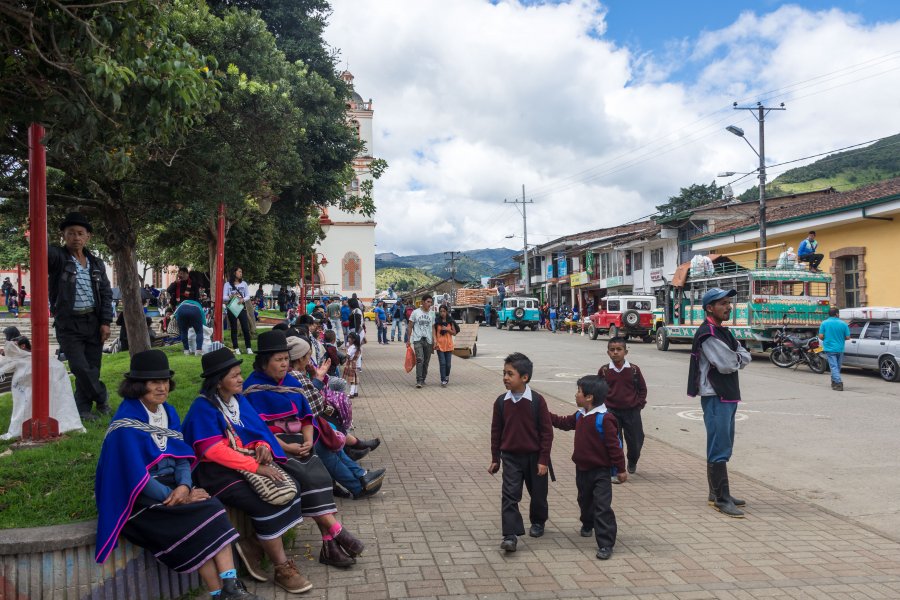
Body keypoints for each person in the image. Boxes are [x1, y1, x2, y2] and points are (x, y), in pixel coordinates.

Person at [94, 350, 257, 599]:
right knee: (203, 513)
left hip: (172, 491)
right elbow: (135, 476)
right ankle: (223, 591)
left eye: (165, 381)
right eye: (154, 382)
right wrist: (175, 495)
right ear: (138, 386)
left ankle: (227, 589)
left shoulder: (167, 412)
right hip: (138, 500)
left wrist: (185, 486)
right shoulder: (125, 424)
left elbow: (181, 454)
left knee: (209, 506)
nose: (162, 387)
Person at [181, 347, 315, 594]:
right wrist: (256, 466)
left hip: (244, 463)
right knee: (263, 502)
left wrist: (262, 446)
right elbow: (213, 451)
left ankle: (254, 544)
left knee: (296, 483)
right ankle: (281, 567)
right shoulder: (204, 408)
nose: (241, 379)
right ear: (218, 381)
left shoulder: (238, 401)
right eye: (234, 375)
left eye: (240, 373)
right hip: (214, 472)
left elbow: (256, 431)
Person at [240, 332, 366, 567]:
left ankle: (330, 545)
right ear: (264, 361)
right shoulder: (252, 388)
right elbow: (257, 430)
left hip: (299, 440)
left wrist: (307, 439)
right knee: (307, 478)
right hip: (275, 446)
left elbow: (307, 416)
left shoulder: (291, 382)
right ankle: (337, 533)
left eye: (285, 359)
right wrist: (288, 446)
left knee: (320, 476)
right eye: (278, 360)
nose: (284, 364)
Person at [279, 335, 385, 497]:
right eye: (307, 355)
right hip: (296, 429)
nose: (309, 359)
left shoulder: (294, 374)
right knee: (328, 449)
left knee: (332, 441)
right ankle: (358, 485)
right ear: (299, 358)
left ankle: (361, 476)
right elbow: (312, 404)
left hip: (304, 425)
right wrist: (318, 380)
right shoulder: (294, 376)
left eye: (285, 359)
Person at [687, 288, 751, 518]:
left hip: (727, 394)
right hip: (716, 395)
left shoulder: (722, 331)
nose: (728, 307)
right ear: (709, 308)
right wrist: (738, 357)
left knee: (723, 443)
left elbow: (742, 354)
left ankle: (717, 493)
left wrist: (738, 356)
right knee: (719, 445)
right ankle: (721, 498)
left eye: (728, 302)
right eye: (722, 303)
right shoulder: (709, 334)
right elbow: (726, 363)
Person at [550, 375, 626, 560]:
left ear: (589, 397)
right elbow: (563, 423)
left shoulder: (605, 419)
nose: (576, 395)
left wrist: (621, 469)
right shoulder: (580, 415)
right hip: (582, 469)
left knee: (602, 506)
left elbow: (614, 447)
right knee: (584, 500)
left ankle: (606, 544)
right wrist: (545, 414)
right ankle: (587, 522)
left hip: (601, 472)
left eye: (578, 392)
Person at [49, 212, 114, 421]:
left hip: (93, 323)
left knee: (92, 367)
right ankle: (102, 396)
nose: (75, 237)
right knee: (79, 366)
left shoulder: (97, 264)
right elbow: (43, 252)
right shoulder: (59, 258)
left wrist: (105, 322)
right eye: (70, 233)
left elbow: (105, 293)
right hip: (68, 324)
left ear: (88, 237)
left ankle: (83, 410)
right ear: (64, 236)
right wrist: (32, 232)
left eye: (80, 233)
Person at [488, 353, 553, 553]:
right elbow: (496, 431)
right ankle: (510, 535)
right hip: (511, 457)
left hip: (535, 458)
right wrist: (495, 458)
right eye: (504, 373)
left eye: (510, 374)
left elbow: (546, 433)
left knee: (539, 495)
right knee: (509, 496)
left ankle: (538, 521)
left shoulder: (537, 401)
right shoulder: (501, 402)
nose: (505, 378)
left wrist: (543, 460)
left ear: (524, 378)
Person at [597, 338, 647, 477]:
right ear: (608, 352)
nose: (615, 353)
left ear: (626, 352)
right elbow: (598, 391)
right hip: (611, 412)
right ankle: (617, 469)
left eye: (619, 349)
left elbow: (642, 389)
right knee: (614, 441)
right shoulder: (604, 371)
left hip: (632, 411)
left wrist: (639, 404)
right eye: (612, 350)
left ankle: (632, 460)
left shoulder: (634, 370)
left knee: (636, 441)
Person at [168, 266, 205, 357]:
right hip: (189, 307)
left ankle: (187, 351)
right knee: (198, 331)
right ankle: (198, 350)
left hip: (183, 308)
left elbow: (197, 294)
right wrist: (175, 282)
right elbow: (169, 290)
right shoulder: (177, 284)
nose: (180, 275)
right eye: (179, 273)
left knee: (184, 331)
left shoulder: (193, 283)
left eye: (182, 273)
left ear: (187, 274)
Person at [818, 306, 851, 391]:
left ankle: (838, 383)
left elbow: (821, 336)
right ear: (836, 314)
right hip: (840, 348)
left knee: (833, 366)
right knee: (837, 366)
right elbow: (847, 337)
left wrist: (827, 338)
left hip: (829, 348)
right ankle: (834, 382)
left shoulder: (824, 323)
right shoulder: (843, 324)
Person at [223, 267, 254, 355]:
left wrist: (243, 299)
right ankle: (236, 348)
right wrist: (230, 296)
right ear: (234, 273)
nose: (241, 273)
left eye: (241, 272)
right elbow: (223, 297)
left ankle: (248, 348)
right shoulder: (227, 284)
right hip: (231, 307)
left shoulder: (244, 284)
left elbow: (248, 295)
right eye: (239, 271)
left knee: (245, 327)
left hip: (241, 307)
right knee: (234, 328)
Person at [407, 295, 435, 388]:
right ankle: (418, 380)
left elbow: (433, 327)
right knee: (420, 359)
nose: (429, 304)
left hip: (428, 340)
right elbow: (410, 326)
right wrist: (408, 339)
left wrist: (434, 341)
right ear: (422, 302)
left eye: (431, 302)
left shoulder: (432, 314)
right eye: (428, 302)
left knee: (426, 361)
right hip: (418, 340)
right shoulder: (415, 312)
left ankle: (423, 378)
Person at [434, 304, 459, 387]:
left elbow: (454, 333)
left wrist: (448, 329)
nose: (442, 313)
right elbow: (434, 333)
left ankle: (447, 376)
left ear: (446, 312)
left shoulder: (450, 321)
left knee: (448, 364)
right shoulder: (437, 321)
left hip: (448, 345)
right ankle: (443, 379)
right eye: (440, 311)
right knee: (442, 363)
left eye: (444, 311)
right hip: (440, 345)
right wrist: (435, 342)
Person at [343, 332, 361, 398]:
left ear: (354, 339)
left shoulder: (353, 347)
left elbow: (348, 355)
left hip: (350, 364)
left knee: (351, 379)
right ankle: (355, 392)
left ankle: (351, 393)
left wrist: (344, 353)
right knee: (355, 378)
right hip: (354, 364)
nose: (348, 339)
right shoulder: (356, 347)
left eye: (350, 338)